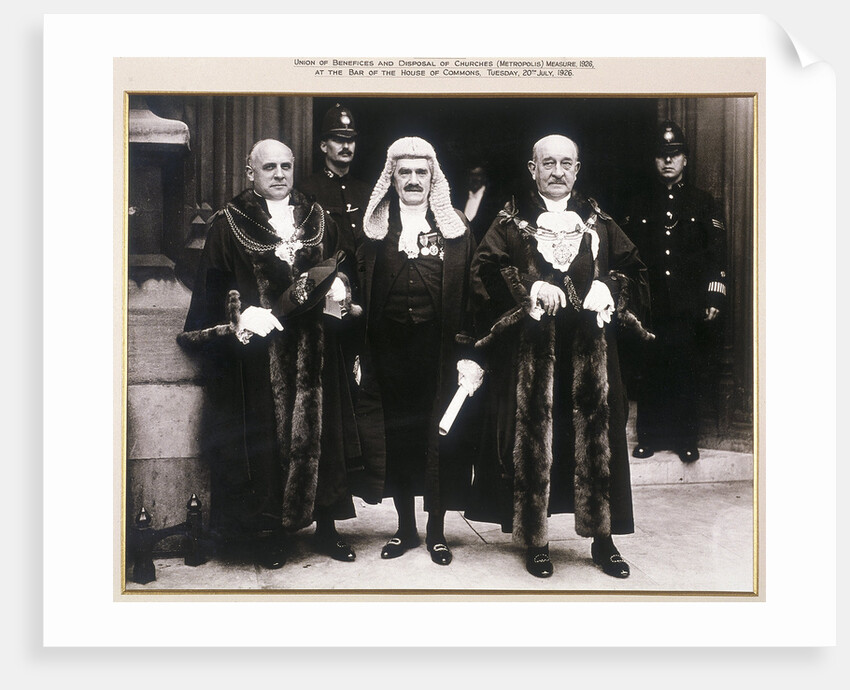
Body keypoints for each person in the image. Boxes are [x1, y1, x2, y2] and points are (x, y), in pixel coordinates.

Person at [464, 134, 649, 579]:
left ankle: (603, 540)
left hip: (592, 354)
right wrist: (526, 288)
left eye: (567, 163)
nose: (558, 171)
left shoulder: (599, 220)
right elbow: (481, 273)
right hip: (532, 357)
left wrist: (610, 286)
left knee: (597, 444)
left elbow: (635, 270)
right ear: (533, 169)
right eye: (548, 163)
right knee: (534, 444)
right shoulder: (509, 219)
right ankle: (536, 540)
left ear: (578, 169)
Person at [177, 138, 361, 570]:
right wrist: (240, 316)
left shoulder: (319, 217)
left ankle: (329, 528)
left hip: (315, 350)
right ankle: (271, 532)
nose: (279, 174)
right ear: (250, 172)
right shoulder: (229, 223)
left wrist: (342, 288)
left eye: (286, 166)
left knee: (323, 435)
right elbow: (213, 287)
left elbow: (344, 266)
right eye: (269, 167)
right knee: (267, 440)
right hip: (262, 355)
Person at [357, 136, 480, 566]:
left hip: (439, 350)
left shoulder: (456, 228)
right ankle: (405, 528)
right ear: (391, 178)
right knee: (399, 437)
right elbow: (358, 287)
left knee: (440, 440)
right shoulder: (375, 228)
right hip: (389, 349)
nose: (413, 180)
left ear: (434, 178)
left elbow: (472, 293)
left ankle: (437, 531)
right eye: (404, 172)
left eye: (421, 172)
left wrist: (470, 353)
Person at [620, 120, 728, 463]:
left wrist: (714, 293)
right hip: (651, 304)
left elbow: (717, 253)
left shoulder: (703, 203)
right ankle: (648, 438)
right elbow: (626, 255)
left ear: (686, 159)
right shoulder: (638, 203)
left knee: (684, 369)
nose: (668, 161)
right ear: (654, 160)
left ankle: (685, 439)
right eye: (662, 155)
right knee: (651, 369)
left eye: (675, 154)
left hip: (687, 303)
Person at [451, 161, 503, 244]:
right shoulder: (458, 198)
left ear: (484, 178)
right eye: (472, 175)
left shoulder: (493, 201)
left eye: (478, 175)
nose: (474, 179)